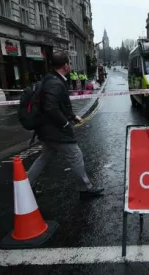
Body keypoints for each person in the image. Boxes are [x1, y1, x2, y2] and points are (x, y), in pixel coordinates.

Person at [27, 51, 104, 197]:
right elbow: (51, 107)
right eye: (69, 63)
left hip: (47, 129)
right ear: (65, 65)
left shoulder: (52, 79)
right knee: (76, 155)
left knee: (44, 157)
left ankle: (26, 185)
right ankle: (85, 189)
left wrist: (72, 116)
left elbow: (59, 104)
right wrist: (64, 123)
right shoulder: (55, 82)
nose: (70, 66)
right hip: (56, 130)